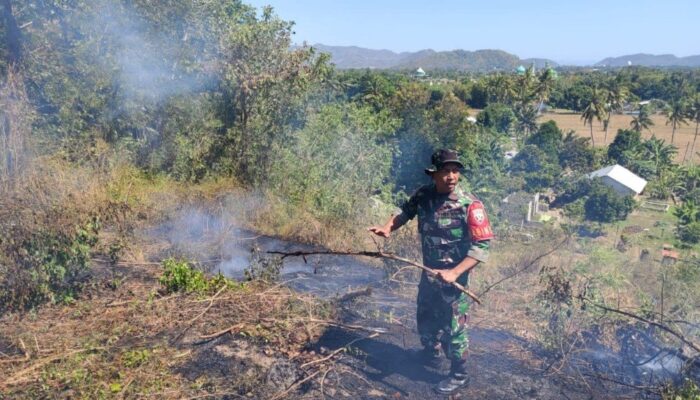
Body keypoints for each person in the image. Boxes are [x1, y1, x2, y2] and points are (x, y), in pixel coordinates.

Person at [368, 148, 493, 395]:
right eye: (446, 171)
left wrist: (455, 273)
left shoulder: (470, 204)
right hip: (428, 272)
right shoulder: (424, 195)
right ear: (433, 174)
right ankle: (430, 353)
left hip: (454, 278)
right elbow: (405, 212)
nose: (451, 177)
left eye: (455, 171)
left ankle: (459, 374)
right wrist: (388, 227)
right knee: (425, 315)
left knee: (453, 326)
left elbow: (482, 245)